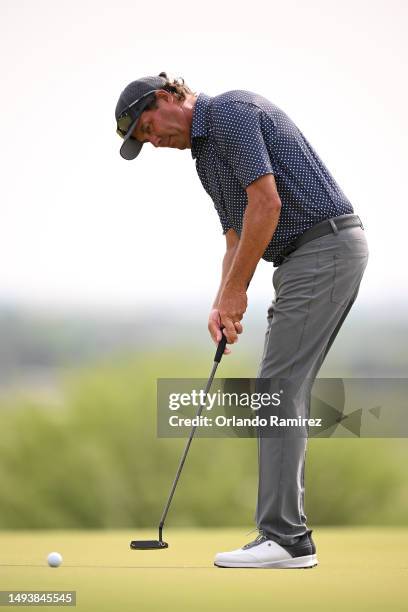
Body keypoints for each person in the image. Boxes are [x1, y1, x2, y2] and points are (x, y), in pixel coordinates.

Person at [115, 72, 369, 569]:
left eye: (148, 126)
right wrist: (222, 301)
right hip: (307, 258)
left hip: (322, 247)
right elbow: (235, 235)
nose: (153, 140)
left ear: (168, 97)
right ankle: (284, 535)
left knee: (276, 389)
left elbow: (266, 202)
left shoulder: (229, 112)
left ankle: (286, 538)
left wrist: (237, 290)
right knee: (281, 389)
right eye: (142, 140)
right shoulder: (205, 158)